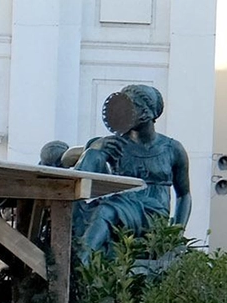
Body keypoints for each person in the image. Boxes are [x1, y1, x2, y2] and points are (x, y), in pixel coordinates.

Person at [74, 84, 191, 260]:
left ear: (148, 112)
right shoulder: (113, 144)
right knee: (100, 210)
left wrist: (176, 232)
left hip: (153, 212)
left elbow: (184, 195)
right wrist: (94, 150)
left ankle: (83, 259)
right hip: (119, 205)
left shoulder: (172, 149)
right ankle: (83, 261)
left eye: (130, 106)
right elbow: (81, 180)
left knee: (106, 210)